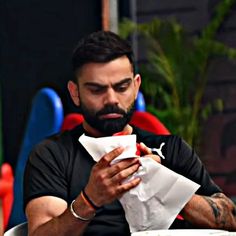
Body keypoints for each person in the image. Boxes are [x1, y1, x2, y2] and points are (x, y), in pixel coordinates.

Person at [24, 30, 236, 236]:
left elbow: (230, 219)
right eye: (96, 90)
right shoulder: (52, 155)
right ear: (75, 93)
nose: (111, 100)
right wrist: (89, 200)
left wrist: (163, 185)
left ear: (135, 87)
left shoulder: (171, 149)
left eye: (122, 87)